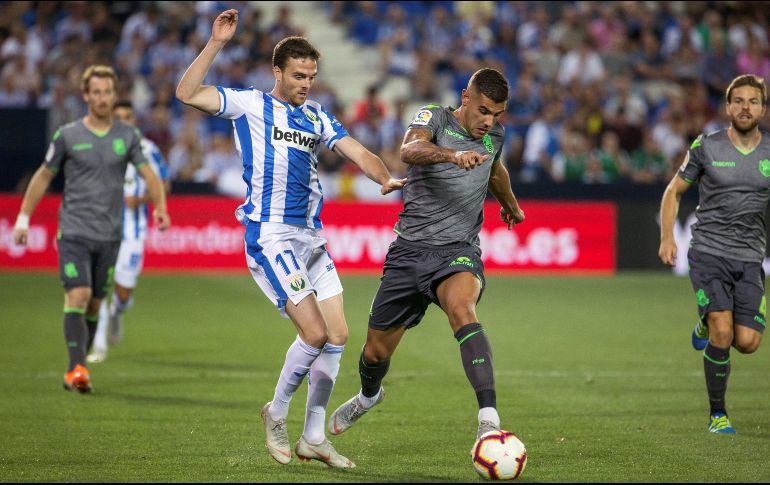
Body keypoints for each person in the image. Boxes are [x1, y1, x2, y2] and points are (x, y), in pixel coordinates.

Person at [175, 10, 404, 468]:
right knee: (315, 332)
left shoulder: (316, 116)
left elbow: (357, 151)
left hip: (310, 240)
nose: (306, 83)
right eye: (298, 75)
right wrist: (216, 43)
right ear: (277, 72)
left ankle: (314, 435)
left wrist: (386, 177)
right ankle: (275, 413)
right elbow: (186, 93)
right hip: (271, 237)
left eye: (312, 76)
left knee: (338, 333)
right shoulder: (249, 105)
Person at [328, 68, 526, 441]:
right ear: (466, 98)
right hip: (409, 251)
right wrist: (452, 155)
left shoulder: (495, 136)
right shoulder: (433, 117)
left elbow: (496, 171)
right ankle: (369, 396)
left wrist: (511, 205)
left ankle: (488, 422)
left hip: (457, 251)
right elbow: (409, 150)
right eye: (483, 110)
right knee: (374, 353)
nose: (489, 121)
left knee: (463, 310)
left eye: (496, 114)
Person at [12, 65, 170, 393]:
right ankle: (76, 367)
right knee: (79, 293)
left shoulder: (127, 136)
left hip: (110, 233)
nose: (101, 98)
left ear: (114, 95)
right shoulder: (68, 135)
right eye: (95, 92)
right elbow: (43, 175)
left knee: (97, 302)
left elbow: (150, 175)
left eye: (106, 92)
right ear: (86, 95)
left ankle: (78, 364)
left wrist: (160, 209)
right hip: (74, 230)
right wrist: (24, 217)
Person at [659, 74, 769, 434]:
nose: (745, 107)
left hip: (750, 256)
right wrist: (667, 238)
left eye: (753, 101)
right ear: (727, 107)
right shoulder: (707, 145)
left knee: (748, 343)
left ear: (762, 108)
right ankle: (717, 414)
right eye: (738, 101)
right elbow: (674, 191)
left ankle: (705, 322)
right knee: (723, 332)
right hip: (708, 251)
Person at [87, 100, 171, 364]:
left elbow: (164, 185)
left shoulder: (148, 150)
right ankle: (98, 346)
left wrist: (144, 200)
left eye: (128, 116)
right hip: (102, 229)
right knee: (97, 288)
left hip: (133, 233)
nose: (124, 120)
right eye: (118, 116)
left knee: (123, 293)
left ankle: (117, 313)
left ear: (134, 120)